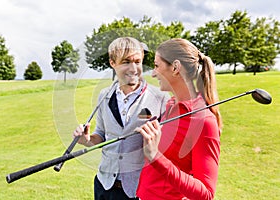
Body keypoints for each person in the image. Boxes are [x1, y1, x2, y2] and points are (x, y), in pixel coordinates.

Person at [73, 37, 170, 200]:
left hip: (138, 190)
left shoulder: (160, 98)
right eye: (126, 62)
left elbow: (168, 148)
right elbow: (102, 135)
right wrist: (87, 139)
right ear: (113, 63)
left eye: (138, 62)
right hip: (104, 185)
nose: (134, 69)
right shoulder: (104, 95)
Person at [136, 38, 223, 200]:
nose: (153, 73)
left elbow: (206, 194)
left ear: (175, 67)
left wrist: (156, 156)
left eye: (156, 66)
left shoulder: (203, 121)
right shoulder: (170, 106)